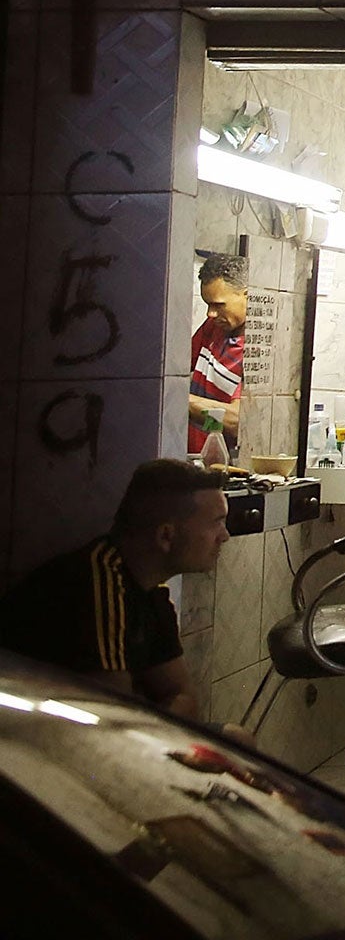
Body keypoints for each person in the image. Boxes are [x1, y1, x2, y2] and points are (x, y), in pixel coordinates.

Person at [0, 459, 230, 718]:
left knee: (236, 737)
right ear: (166, 536)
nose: (224, 536)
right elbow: (114, 716)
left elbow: (183, 694)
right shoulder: (97, 583)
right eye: (216, 523)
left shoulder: (151, 588)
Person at [188, 252, 248, 457]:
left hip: (224, 465)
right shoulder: (213, 328)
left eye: (218, 305)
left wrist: (179, 400)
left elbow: (236, 421)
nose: (210, 314)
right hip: (191, 458)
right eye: (207, 305)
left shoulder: (255, 352)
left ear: (247, 295)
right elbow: (175, 368)